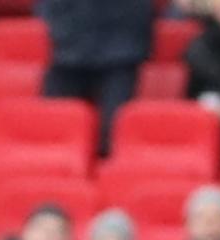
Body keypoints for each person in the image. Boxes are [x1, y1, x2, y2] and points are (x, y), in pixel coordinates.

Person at [44, 0, 151, 151]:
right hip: (68, 54)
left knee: (113, 133)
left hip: (121, 53)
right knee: (55, 129)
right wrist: (61, 30)